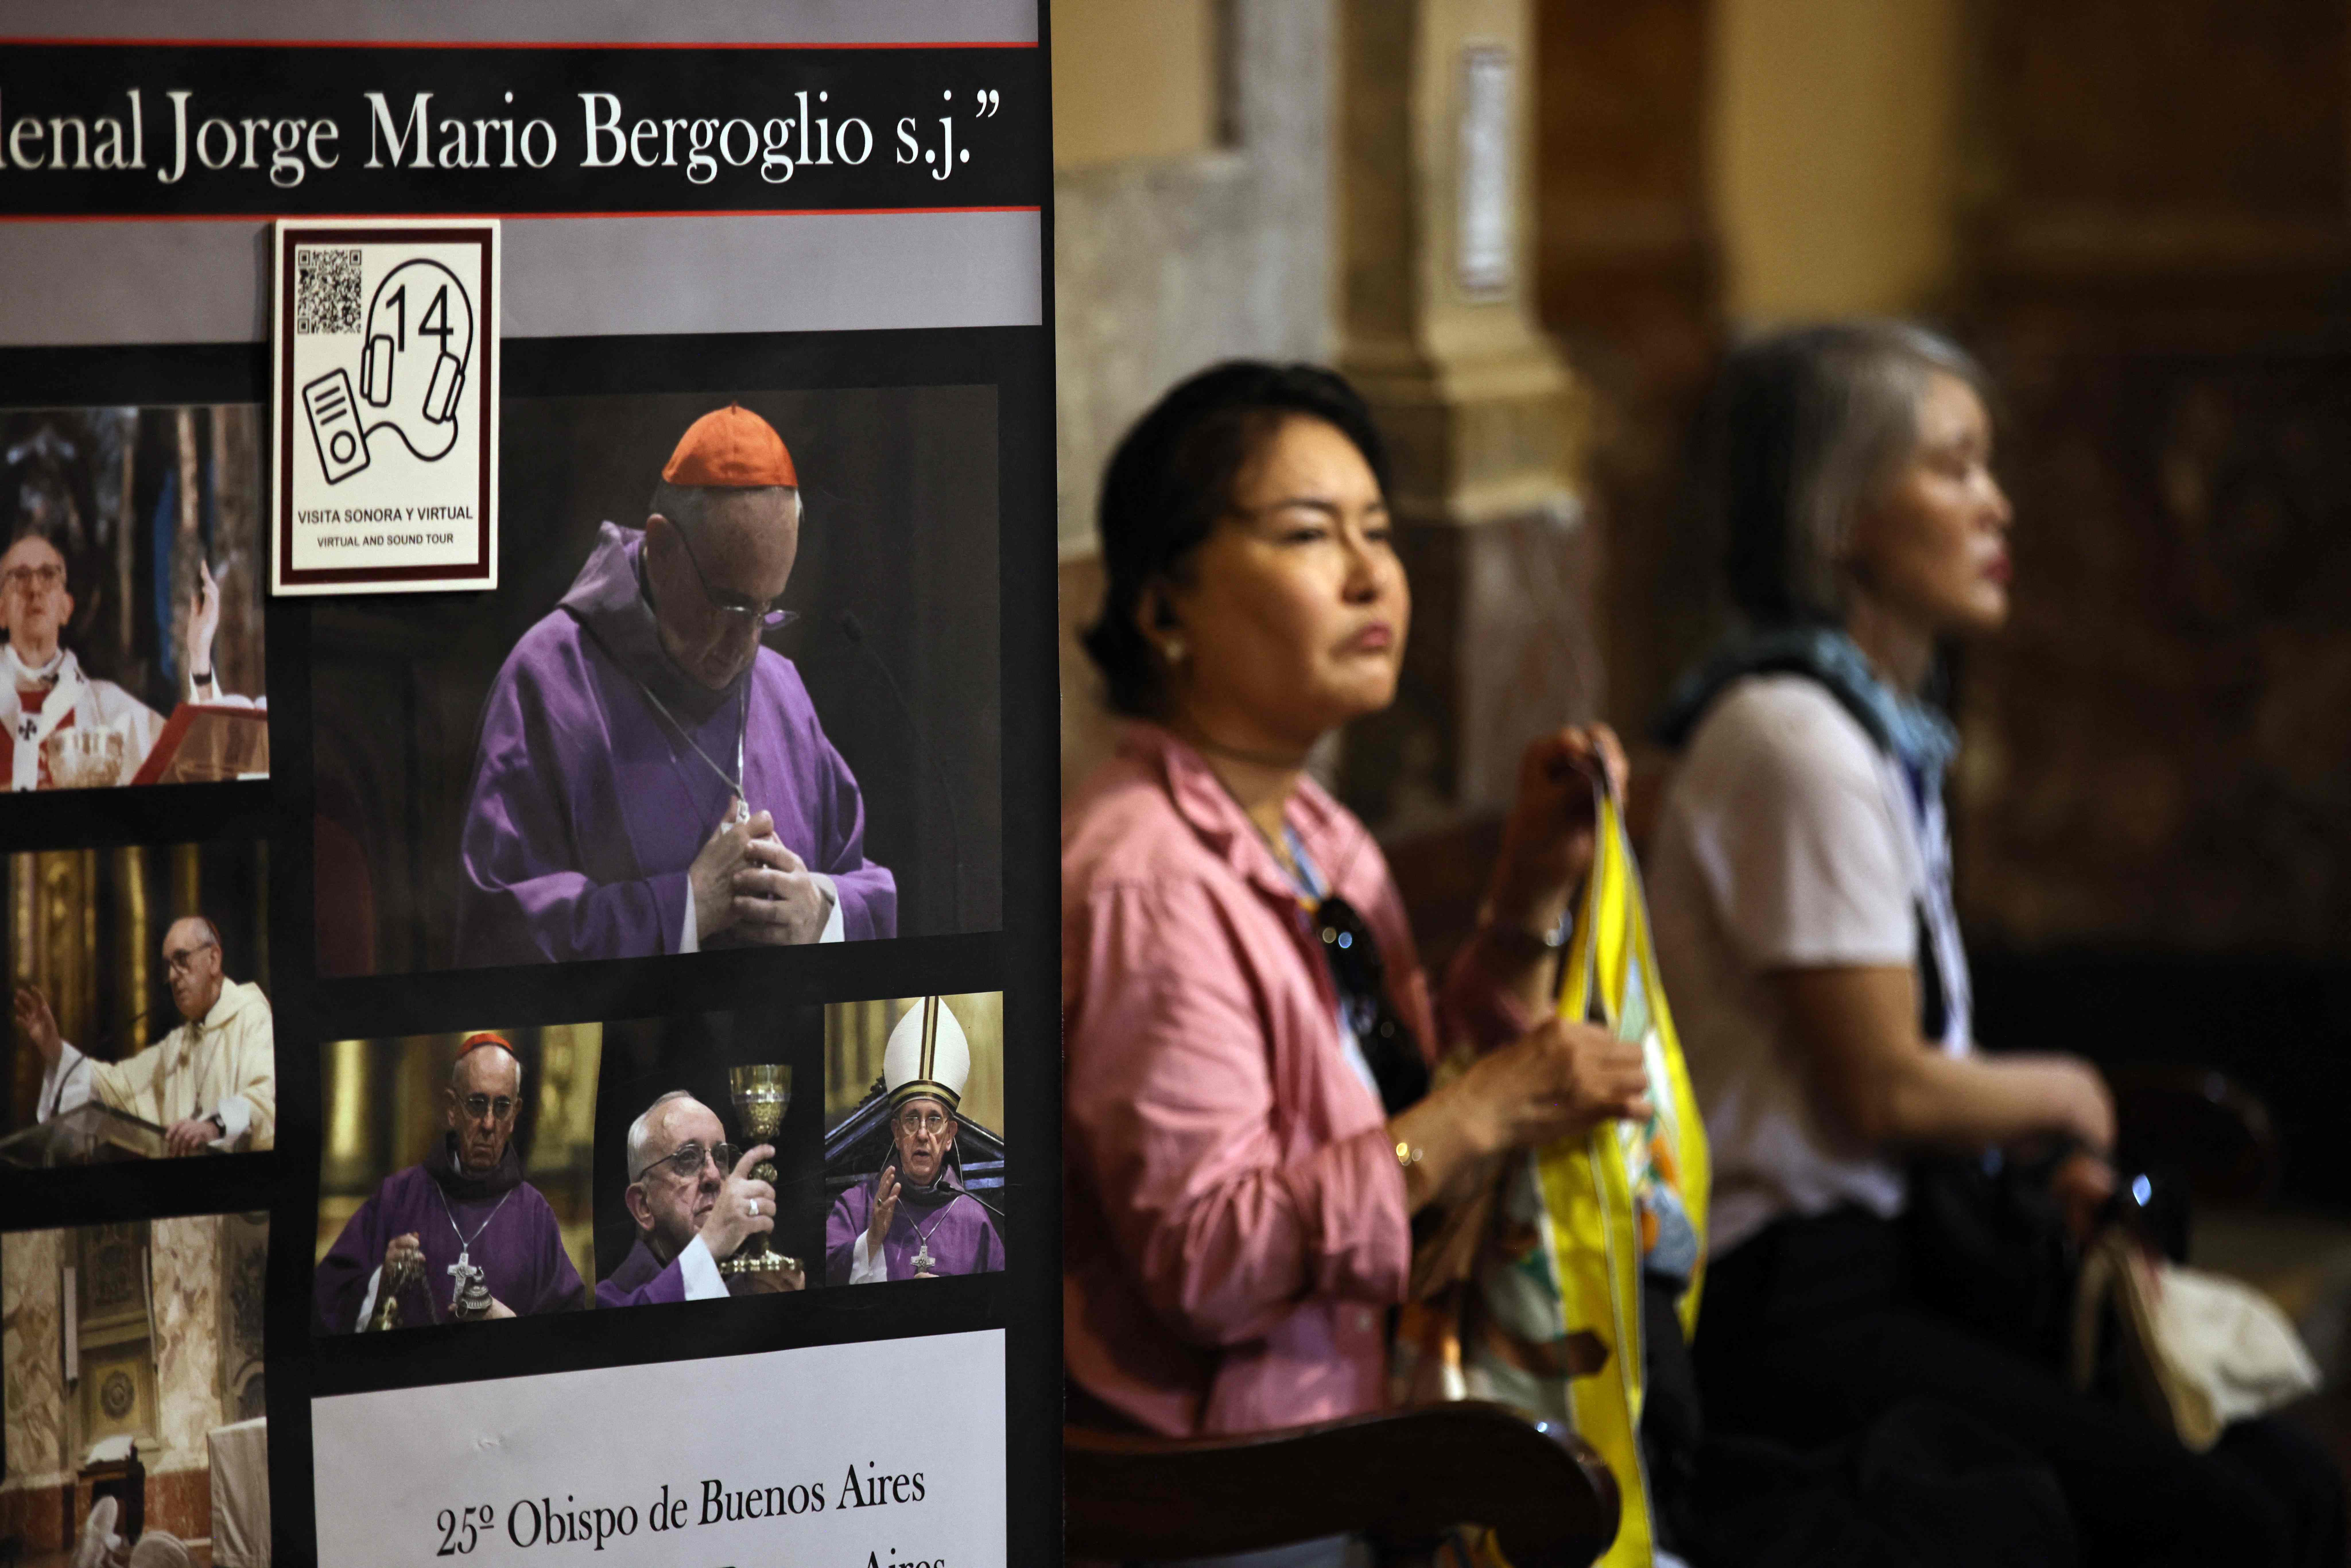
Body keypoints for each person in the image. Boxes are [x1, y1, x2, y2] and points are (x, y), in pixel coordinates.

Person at [1649, 321, 2342, 1568]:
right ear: (1839, 514)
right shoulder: (1790, 739)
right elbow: (1882, 1085)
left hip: (1889, 1254)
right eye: (1953, 468)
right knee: (2229, 1517)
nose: (1998, 506)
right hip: (1787, 1307)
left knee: (2282, 1481)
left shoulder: (1866, 725)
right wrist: (2068, 1097)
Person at [1063, 363, 1667, 1563]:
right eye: (1305, 533)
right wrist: (1489, 1108)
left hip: (1366, 1426)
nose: (1368, 572)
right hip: (1246, 1493)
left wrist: (1522, 905)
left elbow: (1391, 1095)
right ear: (1161, 604)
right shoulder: (1144, 877)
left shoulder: (1312, 828)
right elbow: (1210, 1259)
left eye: (1377, 533)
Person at [456, 403, 895, 965]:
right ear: (662, 551)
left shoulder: (782, 690)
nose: (747, 644)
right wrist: (684, 908)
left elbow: (863, 883)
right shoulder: (549, 681)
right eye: (731, 604)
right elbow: (503, 932)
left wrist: (818, 913)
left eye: (766, 611)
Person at [313, 1033, 586, 1331]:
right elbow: (328, 1298)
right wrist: (381, 1285)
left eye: (502, 1106)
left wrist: (510, 1325)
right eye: (477, 1104)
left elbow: (569, 1326)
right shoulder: (398, 1197)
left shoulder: (535, 1214)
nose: (489, 1124)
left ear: (515, 1115)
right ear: (452, 1108)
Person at [20, 915, 275, 1154]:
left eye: (182, 960)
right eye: (169, 966)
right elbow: (112, 1088)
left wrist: (214, 1125)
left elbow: (266, 1097)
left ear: (214, 959)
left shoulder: (249, 1014)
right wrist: (51, 1045)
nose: (173, 976)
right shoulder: (177, 1046)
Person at [0, 533, 227, 789]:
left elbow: (200, 767)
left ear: (66, 608)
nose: (35, 589)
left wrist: (200, 660)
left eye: (48, 575)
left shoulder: (111, 710)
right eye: (19, 576)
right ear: (1, 611)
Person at [826, 997, 1005, 1284]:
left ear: (949, 1137)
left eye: (934, 1120)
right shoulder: (855, 1206)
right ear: (896, 1133)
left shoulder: (975, 1220)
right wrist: (872, 1239)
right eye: (912, 1120)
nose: (922, 1133)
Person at [597, 1088, 802, 1306]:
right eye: (687, 1158)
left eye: (721, 1158)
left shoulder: (747, 1286)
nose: (713, 1176)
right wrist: (709, 1245)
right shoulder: (606, 1301)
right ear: (643, 1206)